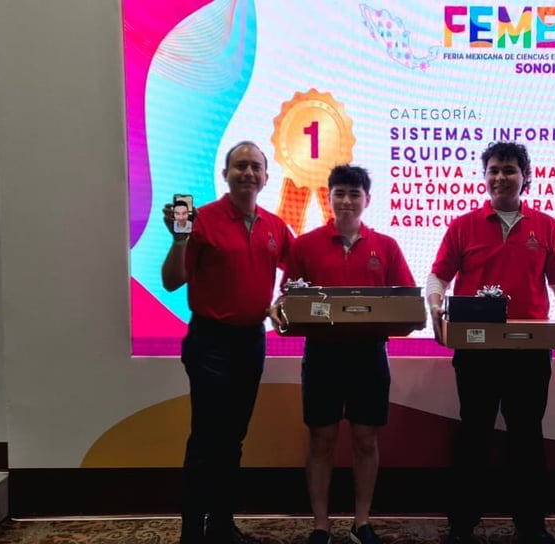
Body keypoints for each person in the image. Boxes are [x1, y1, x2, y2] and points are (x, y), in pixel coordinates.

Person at [426, 142, 555, 544]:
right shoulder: (463, 225)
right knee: (473, 433)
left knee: (527, 435)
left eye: (509, 170)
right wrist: (435, 306)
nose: (500, 177)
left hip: (529, 350)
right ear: (485, 176)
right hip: (476, 350)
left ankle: (530, 525)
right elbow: (439, 275)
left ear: (525, 176)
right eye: (493, 170)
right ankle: (462, 524)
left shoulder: (545, 225)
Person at [161, 141, 294, 544]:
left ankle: (220, 524)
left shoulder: (274, 226)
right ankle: (191, 533)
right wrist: (179, 239)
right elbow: (171, 280)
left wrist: (281, 303)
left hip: (251, 342)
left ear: (267, 177)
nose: (248, 173)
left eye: (256, 167)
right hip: (210, 344)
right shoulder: (201, 220)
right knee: (206, 439)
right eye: (240, 166)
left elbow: (298, 274)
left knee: (233, 438)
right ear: (226, 174)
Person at [282, 165, 416, 544]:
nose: (346, 200)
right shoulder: (304, 245)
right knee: (321, 440)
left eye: (354, 194)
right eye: (339, 192)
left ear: (367, 200)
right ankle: (321, 525)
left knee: (365, 440)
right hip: (322, 356)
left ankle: (362, 522)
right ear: (329, 197)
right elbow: (288, 298)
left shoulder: (386, 246)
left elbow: (406, 301)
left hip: (369, 356)